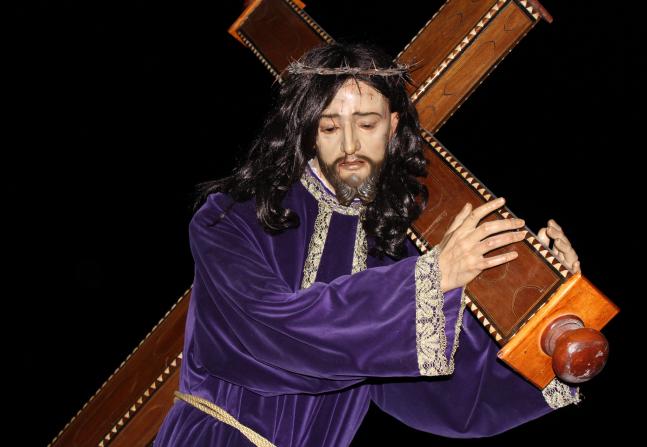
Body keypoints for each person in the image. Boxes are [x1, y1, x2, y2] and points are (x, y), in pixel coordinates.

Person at [153, 42, 582, 447]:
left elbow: (454, 396)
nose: (350, 145)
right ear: (309, 130)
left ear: (392, 127)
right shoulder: (231, 218)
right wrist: (430, 278)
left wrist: (549, 310)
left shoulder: (394, 250)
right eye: (330, 126)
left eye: (367, 124)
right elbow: (272, 332)